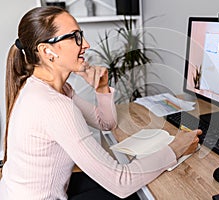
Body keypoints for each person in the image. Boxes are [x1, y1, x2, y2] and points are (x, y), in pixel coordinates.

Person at [0, 6, 201, 200]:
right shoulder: (53, 105)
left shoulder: (49, 88)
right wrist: (176, 147)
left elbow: (106, 123)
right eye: (75, 37)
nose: (86, 44)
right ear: (46, 51)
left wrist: (102, 88)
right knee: (142, 192)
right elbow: (121, 182)